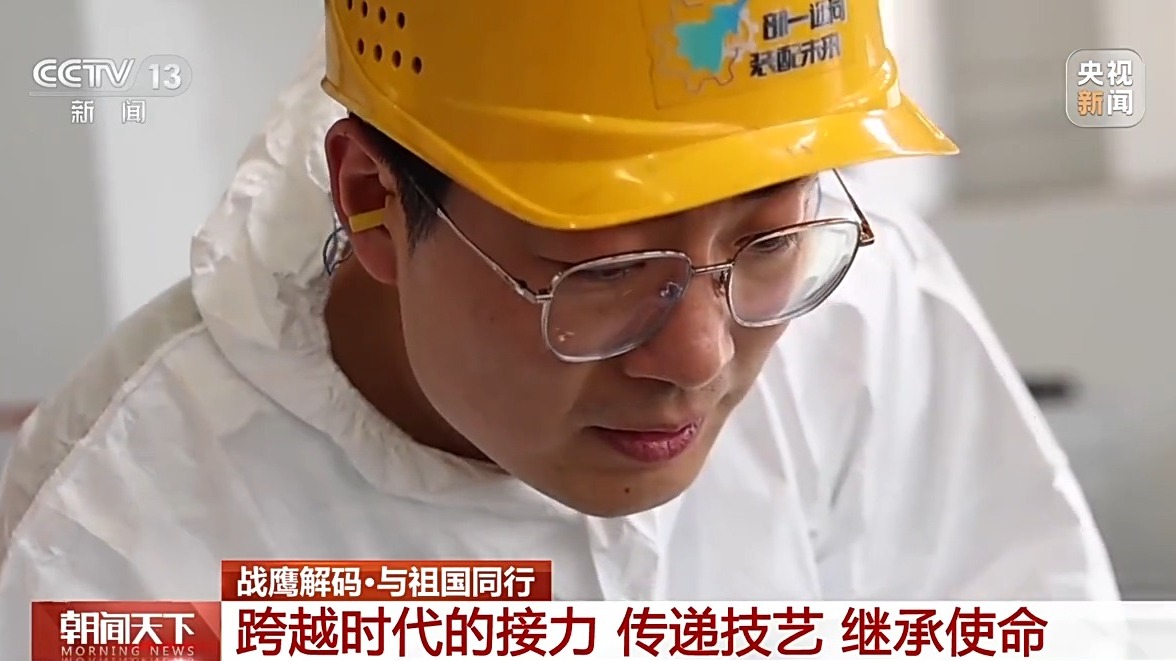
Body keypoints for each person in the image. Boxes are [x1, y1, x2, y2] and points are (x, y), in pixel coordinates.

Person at [0, 0, 1119, 652]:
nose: (700, 355)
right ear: (372, 201)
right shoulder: (120, 540)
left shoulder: (863, 297)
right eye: (606, 272)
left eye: (767, 239)